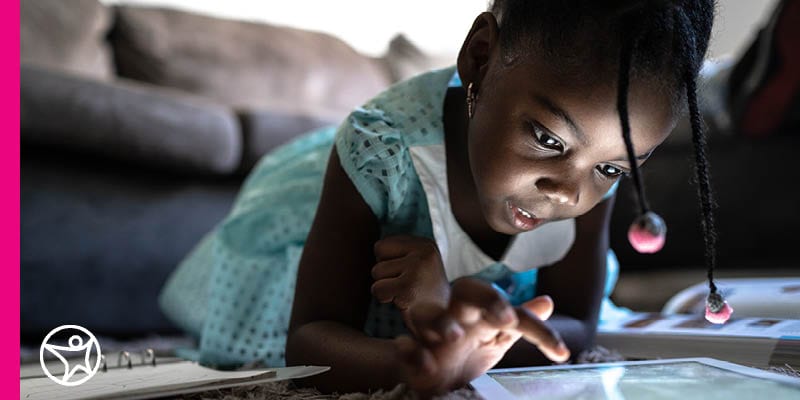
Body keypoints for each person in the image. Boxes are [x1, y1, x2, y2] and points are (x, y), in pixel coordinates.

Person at [159, 0, 720, 395]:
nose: (570, 193)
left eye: (612, 168)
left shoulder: (585, 181)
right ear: (479, 58)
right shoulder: (378, 150)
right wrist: (414, 365)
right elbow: (309, 343)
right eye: (547, 138)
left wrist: (469, 342)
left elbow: (576, 324)